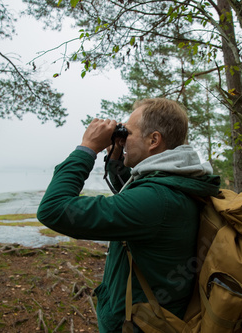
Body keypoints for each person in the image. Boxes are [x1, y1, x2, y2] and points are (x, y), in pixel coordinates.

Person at [37, 98, 221, 332]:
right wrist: (116, 158)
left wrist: (87, 148)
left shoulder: (156, 200)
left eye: (129, 133)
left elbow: (53, 209)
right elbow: (135, 189)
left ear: (153, 140)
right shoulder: (178, 181)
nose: (123, 140)